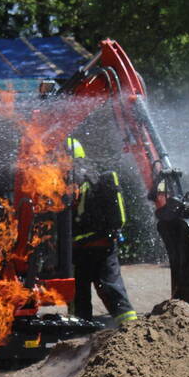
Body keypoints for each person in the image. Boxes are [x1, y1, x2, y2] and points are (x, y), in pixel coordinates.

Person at [66, 137, 137, 325]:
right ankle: (131, 326)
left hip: (79, 247)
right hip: (105, 243)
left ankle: (80, 327)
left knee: (79, 291)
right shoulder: (95, 174)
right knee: (112, 286)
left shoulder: (70, 179)